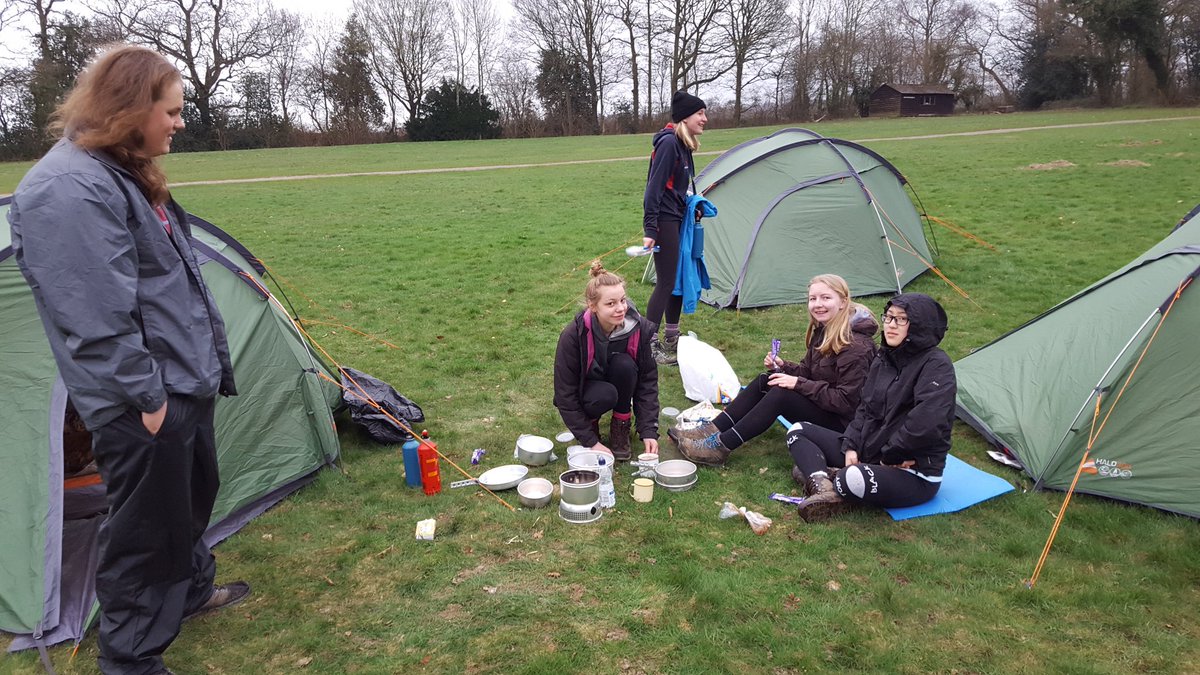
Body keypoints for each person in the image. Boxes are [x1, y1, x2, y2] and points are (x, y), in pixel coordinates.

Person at [8, 45, 248, 674]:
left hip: (178, 382)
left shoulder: (116, 168)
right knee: (145, 534)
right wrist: (148, 401)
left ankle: (190, 591)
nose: (179, 123)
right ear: (129, 109)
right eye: (170, 111)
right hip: (143, 399)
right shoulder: (68, 190)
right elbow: (94, 318)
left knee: (189, 502)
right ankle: (131, 660)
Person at [785, 293, 957, 522]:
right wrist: (852, 446)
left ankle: (824, 477)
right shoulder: (884, 357)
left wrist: (891, 455)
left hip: (911, 470)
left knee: (851, 478)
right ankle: (824, 488)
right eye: (889, 317)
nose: (891, 325)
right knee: (798, 431)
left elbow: (926, 423)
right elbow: (865, 408)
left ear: (920, 326)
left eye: (901, 319)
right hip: (871, 451)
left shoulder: (936, 365)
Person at [673, 275, 877, 466]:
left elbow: (846, 402)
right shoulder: (826, 329)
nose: (818, 304)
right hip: (826, 407)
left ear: (843, 301)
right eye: (813, 298)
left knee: (782, 394)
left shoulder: (857, 347)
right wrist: (783, 366)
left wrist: (797, 383)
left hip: (844, 427)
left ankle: (718, 447)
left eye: (826, 298)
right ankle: (711, 430)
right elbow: (808, 371)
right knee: (768, 379)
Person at [554, 261, 661, 460]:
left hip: (618, 377)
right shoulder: (573, 336)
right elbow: (564, 394)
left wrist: (648, 430)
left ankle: (621, 426)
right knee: (604, 394)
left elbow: (647, 381)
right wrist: (590, 441)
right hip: (590, 390)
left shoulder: (639, 329)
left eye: (622, 300)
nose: (620, 308)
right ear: (592, 306)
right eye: (610, 304)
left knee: (625, 365)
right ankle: (590, 425)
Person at [642, 90, 708, 365]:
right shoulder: (669, 144)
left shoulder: (683, 144)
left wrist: (694, 204)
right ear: (685, 117)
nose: (705, 119)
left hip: (678, 217)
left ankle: (672, 337)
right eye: (700, 113)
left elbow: (678, 187)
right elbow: (653, 189)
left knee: (677, 280)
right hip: (664, 221)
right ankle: (646, 345)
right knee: (666, 281)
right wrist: (650, 230)